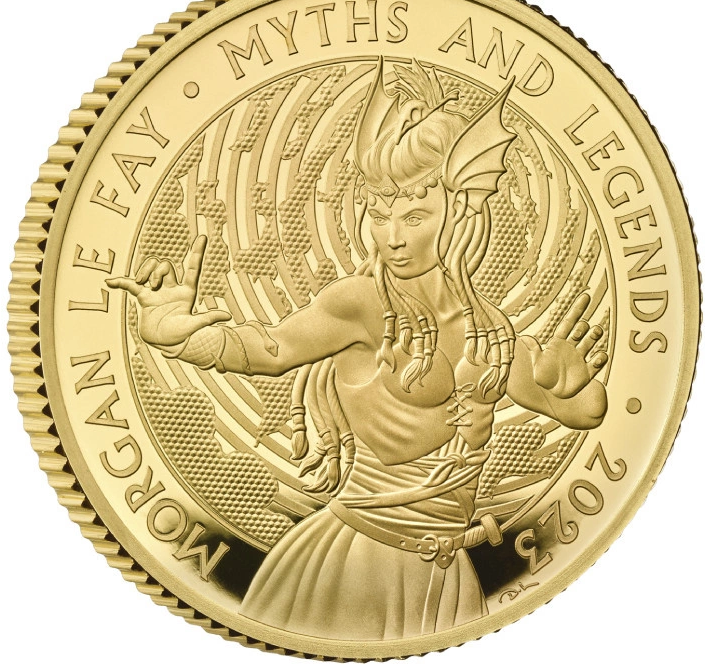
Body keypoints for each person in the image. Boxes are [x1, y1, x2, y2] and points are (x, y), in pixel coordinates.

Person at [108, 59, 608, 640]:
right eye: (379, 214)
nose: (392, 236)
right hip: (349, 562)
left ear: (461, 211)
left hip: (446, 579)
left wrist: (577, 386)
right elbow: (269, 348)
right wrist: (178, 335)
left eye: (414, 215)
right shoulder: (360, 304)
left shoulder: (492, 331)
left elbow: (580, 412)